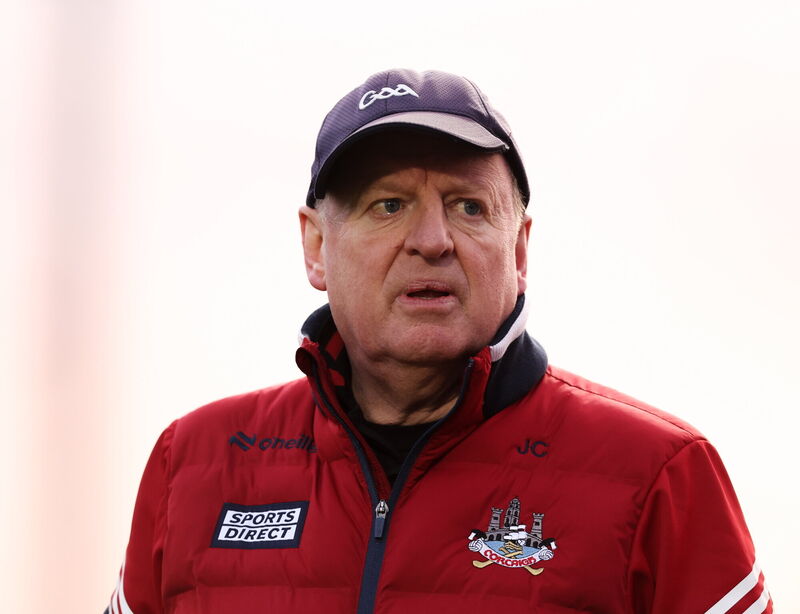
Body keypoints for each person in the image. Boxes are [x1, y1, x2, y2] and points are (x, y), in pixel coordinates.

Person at [105, 69, 772, 614]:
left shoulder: (661, 474)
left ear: (518, 249)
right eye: (388, 205)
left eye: (468, 206)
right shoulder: (191, 465)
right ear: (315, 246)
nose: (432, 240)